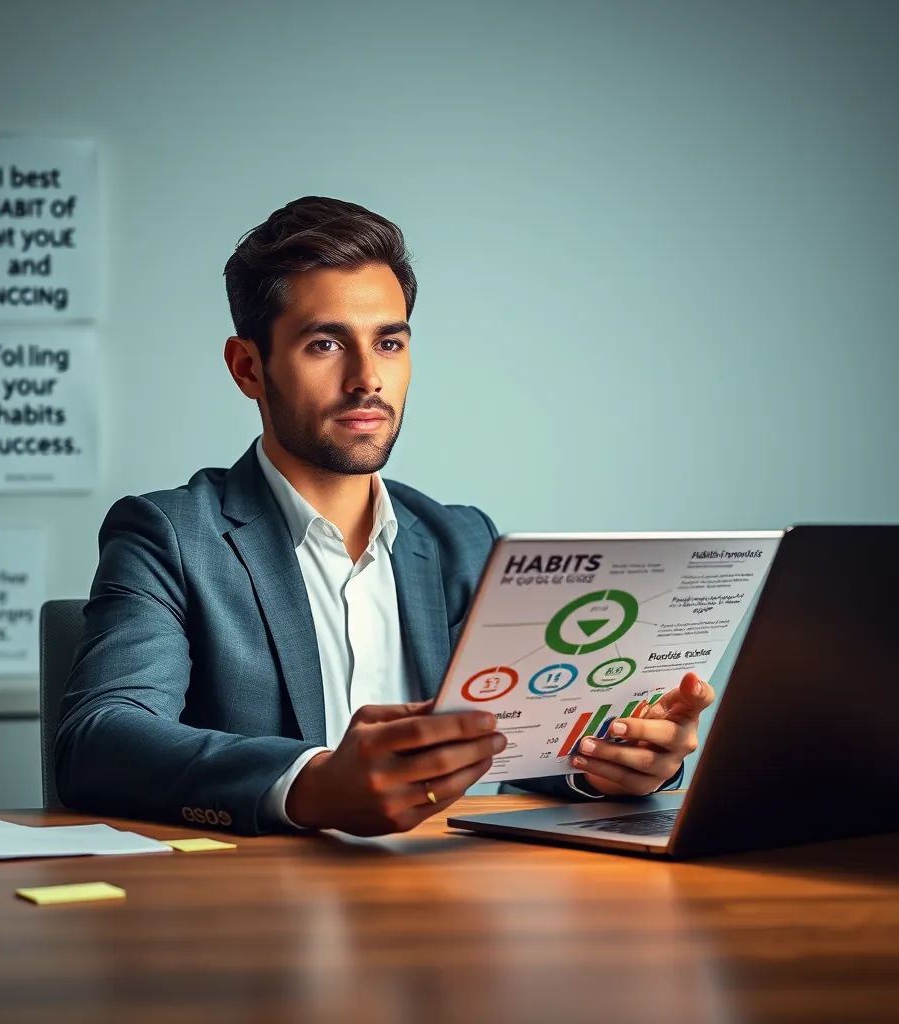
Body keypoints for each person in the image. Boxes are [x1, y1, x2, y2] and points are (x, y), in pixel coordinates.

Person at [54, 196, 712, 837]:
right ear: (248, 367)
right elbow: (97, 739)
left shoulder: (463, 540)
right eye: (325, 345)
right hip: (256, 914)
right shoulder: (169, 534)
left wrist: (617, 766)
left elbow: (525, 744)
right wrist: (309, 785)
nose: (368, 377)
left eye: (390, 343)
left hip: (439, 906)